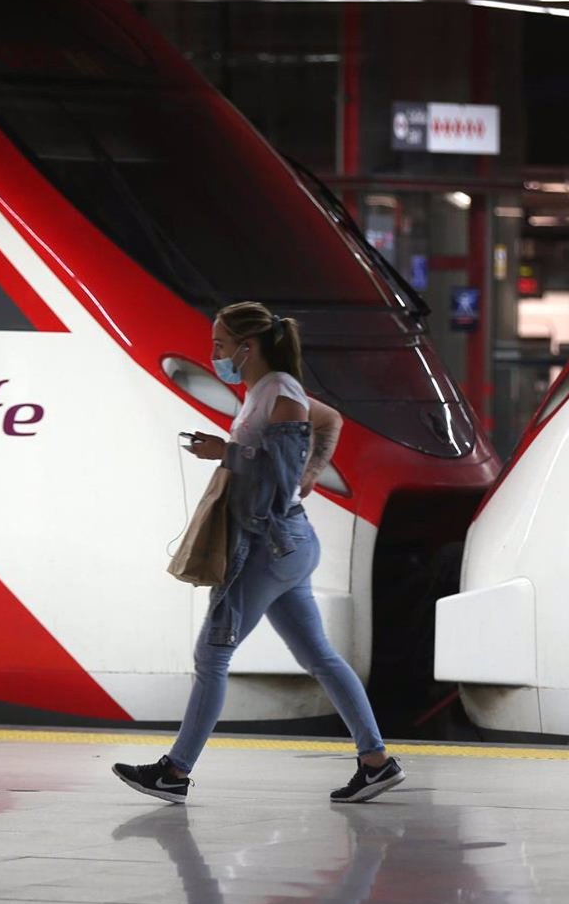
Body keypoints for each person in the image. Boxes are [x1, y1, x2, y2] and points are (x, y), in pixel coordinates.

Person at [114, 302, 404, 805]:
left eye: (221, 346)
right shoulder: (270, 391)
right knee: (319, 655)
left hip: (269, 545)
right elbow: (329, 422)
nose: (215, 355)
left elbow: (279, 475)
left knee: (212, 654)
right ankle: (376, 761)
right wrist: (313, 472)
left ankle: (174, 773)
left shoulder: (280, 396)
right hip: (287, 541)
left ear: (249, 348)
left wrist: (228, 454)